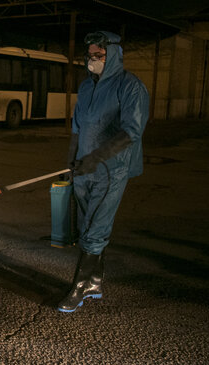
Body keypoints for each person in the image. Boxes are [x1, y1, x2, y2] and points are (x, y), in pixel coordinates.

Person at [57, 31, 149, 313]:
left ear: (113, 56)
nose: (92, 60)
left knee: (95, 227)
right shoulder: (86, 87)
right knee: (87, 224)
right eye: (90, 55)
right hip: (84, 168)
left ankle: (79, 288)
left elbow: (131, 131)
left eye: (99, 56)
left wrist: (97, 158)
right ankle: (95, 279)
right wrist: (71, 162)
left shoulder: (130, 86)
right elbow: (77, 126)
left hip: (111, 169)